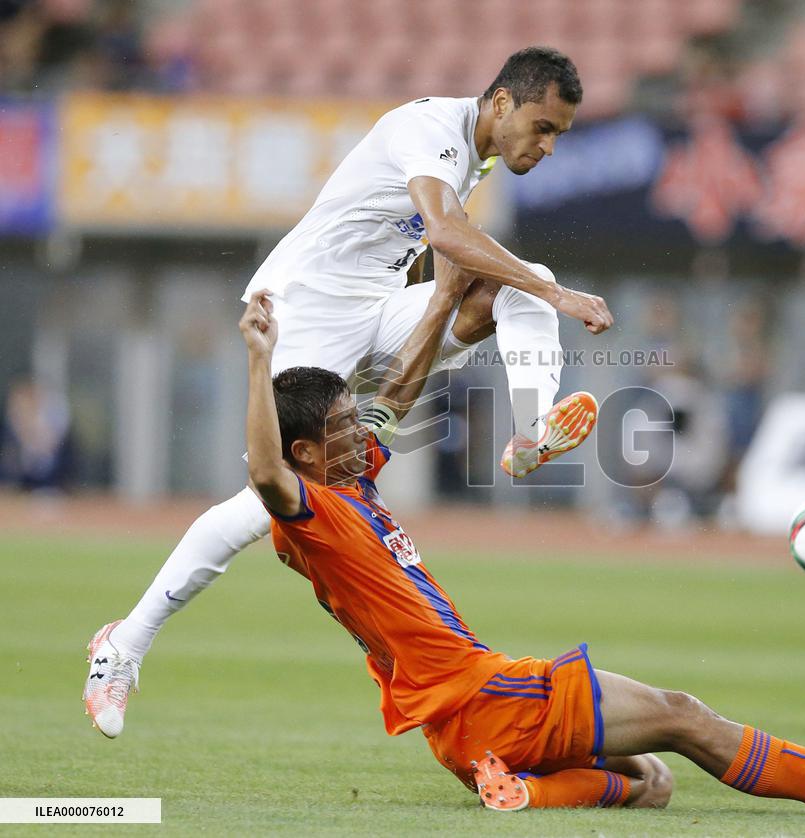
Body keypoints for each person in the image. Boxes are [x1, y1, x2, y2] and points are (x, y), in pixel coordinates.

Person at [191, 286, 805, 816]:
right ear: (304, 452)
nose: (365, 433)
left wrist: (447, 292)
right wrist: (261, 358)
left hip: (465, 730)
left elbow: (398, 392)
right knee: (682, 716)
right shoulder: (308, 512)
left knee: (653, 782)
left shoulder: (351, 485)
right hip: (487, 699)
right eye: (347, 429)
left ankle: (521, 790)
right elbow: (263, 470)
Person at [83, 46, 612, 737]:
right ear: (503, 103)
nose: (548, 146)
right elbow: (447, 231)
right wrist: (558, 294)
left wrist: (458, 298)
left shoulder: (477, 151)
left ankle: (531, 431)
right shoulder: (429, 128)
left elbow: (425, 239)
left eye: (560, 137)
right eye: (543, 128)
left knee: (518, 278)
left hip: (372, 310)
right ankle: (121, 646)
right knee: (264, 503)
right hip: (303, 313)